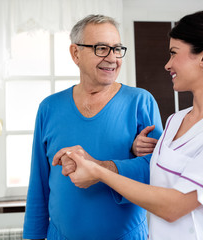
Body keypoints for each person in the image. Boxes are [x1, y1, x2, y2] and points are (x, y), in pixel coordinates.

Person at [64, 8, 203, 239]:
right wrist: (112, 156)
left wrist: (98, 172)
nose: (168, 65)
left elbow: (174, 207)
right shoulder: (175, 120)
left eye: (174, 53)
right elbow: (155, 181)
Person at [22, 14, 163, 240]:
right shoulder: (49, 108)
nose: (112, 58)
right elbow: (38, 183)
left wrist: (103, 168)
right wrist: (33, 236)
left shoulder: (140, 102)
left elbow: (157, 173)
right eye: (101, 48)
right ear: (75, 53)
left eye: (117, 49)